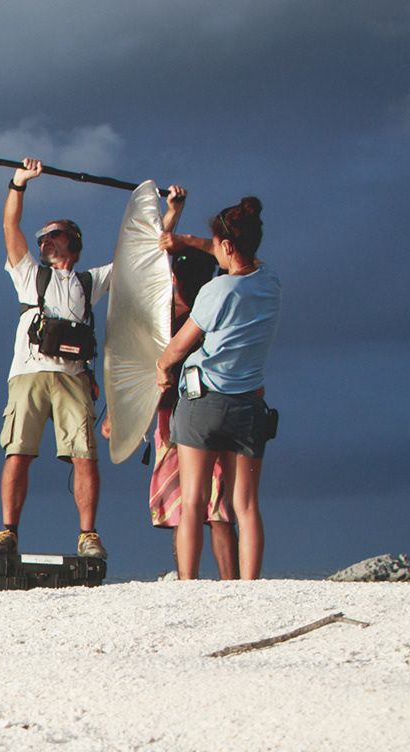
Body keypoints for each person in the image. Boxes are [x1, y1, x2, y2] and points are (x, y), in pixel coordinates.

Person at [0, 158, 112, 562]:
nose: (44, 243)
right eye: (42, 238)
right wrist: (18, 184)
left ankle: (88, 536)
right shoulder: (29, 275)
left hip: (74, 378)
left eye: (53, 236)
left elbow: (141, 260)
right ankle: (9, 532)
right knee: (17, 451)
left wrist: (168, 216)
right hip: (28, 375)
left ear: (72, 241)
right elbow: (10, 227)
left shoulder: (89, 282)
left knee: (85, 456)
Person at [155, 197, 279, 580]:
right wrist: (189, 241)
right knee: (245, 504)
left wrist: (162, 368)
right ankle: (249, 585)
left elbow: (179, 346)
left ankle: (188, 583)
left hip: (203, 402)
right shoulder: (271, 282)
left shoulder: (216, 291)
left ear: (227, 245)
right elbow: (224, 249)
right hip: (249, 407)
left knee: (193, 500)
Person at [144, 206, 240, 577]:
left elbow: (154, 258)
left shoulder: (192, 308)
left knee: (201, 508)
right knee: (211, 507)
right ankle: (221, 583)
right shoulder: (219, 299)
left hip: (184, 412)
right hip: (197, 409)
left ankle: (199, 582)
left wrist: (176, 229)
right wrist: (175, 223)